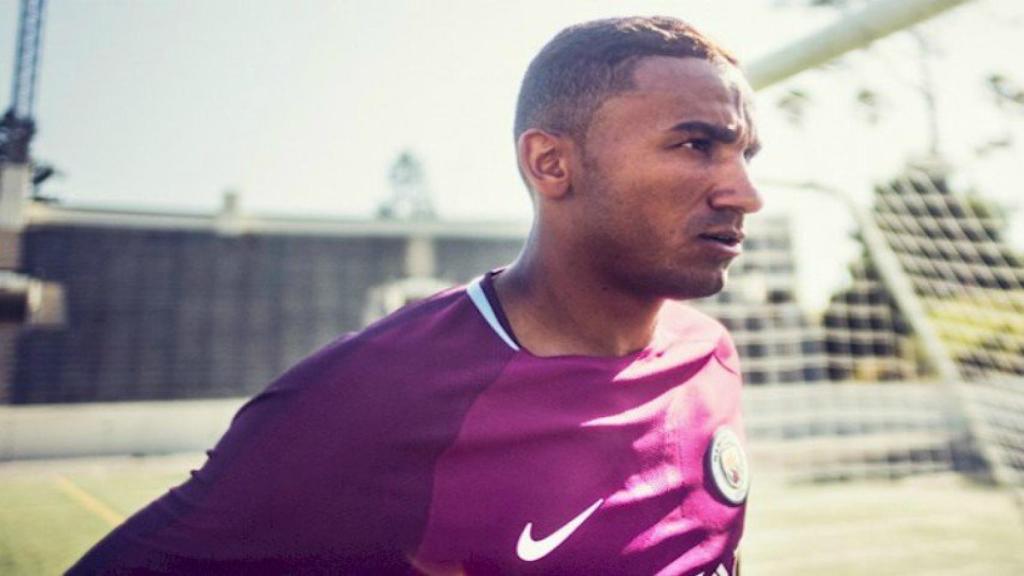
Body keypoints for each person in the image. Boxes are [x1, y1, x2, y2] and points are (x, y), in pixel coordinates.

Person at [69, 15, 762, 575]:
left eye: (744, 155)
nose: (745, 194)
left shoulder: (711, 357)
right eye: (697, 145)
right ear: (551, 163)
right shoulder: (371, 394)